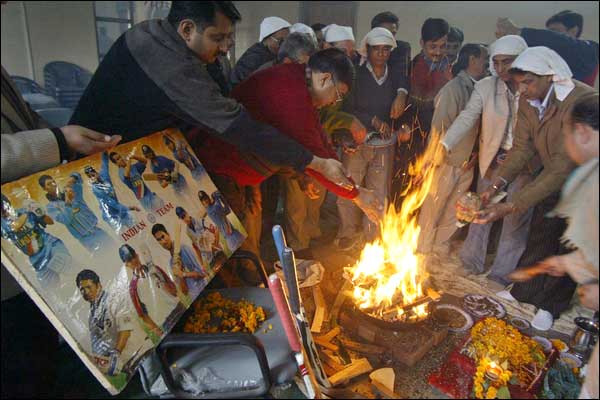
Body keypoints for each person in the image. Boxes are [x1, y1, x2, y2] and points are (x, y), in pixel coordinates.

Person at [69, 1, 352, 198]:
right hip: (100, 171)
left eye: (229, 38)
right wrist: (314, 163)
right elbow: (236, 124)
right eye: (218, 38)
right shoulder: (169, 64)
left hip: (142, 160)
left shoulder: (156, 31)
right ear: (187, 29)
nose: (226, 47)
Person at [195, 49, 381, 260]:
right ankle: (241, 277)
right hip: (222, 170)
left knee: (248, 237)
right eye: (338, 94)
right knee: (230, 244)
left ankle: (249, 270)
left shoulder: (298, 80)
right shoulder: (292, 95)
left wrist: (348, 184)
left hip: (244, 172)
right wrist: (356, 195)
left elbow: (320, 141)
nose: (334, 102)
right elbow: (316, 154)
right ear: (325, 78)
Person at [474, 47, 596, 331]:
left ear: (549, 77)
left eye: (528, 82)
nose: (522, 89)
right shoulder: (528, 101)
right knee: (541, 232)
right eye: (519, 83)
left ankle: (550, 306)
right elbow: (521, 148)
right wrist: (495, 186)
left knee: (567, 244)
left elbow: (562, 168)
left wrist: (510, 205)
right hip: (552, 175)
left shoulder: (580, 101)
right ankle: (524, 292)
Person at [441, 35, 532, 284]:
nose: (501, 68)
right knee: (479, 210)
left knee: (514, 219)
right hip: (493, 158)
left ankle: (501, 275)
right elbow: (467, 116)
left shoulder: (532, 88)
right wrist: (445, 144)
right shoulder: (486, 86)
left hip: (525, 163)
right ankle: (471, 262)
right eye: (496, 62)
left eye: (507, 62)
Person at [417, 43, 489, 258]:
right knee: (433, 207)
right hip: (446, 160)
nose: (488, 63)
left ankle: (439, 245)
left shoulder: (482, 87)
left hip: (467, 161)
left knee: (454, 209)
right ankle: (422, 249)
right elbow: (439, 128)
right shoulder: (453, 89)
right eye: (485, 58)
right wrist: (435, 158)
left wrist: (475, 153)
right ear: (472, 59)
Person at [336, 28, 400, 249]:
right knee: (348, 187)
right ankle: (347, 233)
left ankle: (373, 237)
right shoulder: (357, 74)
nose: (381, 54)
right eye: (376, 49)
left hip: (383, 145)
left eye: (386, 49)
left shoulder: (395, 76)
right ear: (368, 50)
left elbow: (402, 104)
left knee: (379, 192)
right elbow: (347, 108)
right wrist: (372, 120)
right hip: (357, 142)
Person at [395, 18, 452, 202]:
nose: (438, 52)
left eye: (443, 46)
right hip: (413, 139)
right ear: (421, 43)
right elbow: (406, 105)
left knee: (432, 193)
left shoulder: (451, 70)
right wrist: (405, 125)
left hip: (440, 140)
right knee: (408, 190)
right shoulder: (411, 68)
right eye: (433, 46)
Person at [495, 10, 599, 86]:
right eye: (549, 32)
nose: (550, 38)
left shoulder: (589, 50)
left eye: (555, 32)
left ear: (574, 30)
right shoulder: (551, 55)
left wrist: (520, 32)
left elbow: (561, 43)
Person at [1, 193, 72, 288]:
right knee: (51, 289)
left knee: (67, 266)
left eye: (4, 208)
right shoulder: (3, 226)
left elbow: (50, 222)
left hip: (51, 246)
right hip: (37, 260)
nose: (5, 212)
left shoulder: (23, 211)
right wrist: (27, 212)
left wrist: (40, 212)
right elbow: (15, 226)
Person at [76, 269, 136, 377]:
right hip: (126, 366)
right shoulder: (91, 316)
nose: (86, 292)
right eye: (82, 289)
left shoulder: (114, 300)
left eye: (89, 287)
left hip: (140, 353)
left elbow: (125, 330)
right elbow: (97, 345)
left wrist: (116, 353)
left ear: (99, 285)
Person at [119, 244, 185, 341]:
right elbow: (143, 315)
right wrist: (160, 334)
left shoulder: (155, 269)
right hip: (166, 322)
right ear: (126, 265)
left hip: (179, 308)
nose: (133, 260)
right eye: (129, 260)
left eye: (133, 256)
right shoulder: (133, 288)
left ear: (137, 255)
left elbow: (174, 291)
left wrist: (160, 281)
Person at [39, 173, 114, 252]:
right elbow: (66, 220)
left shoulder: (69, 191)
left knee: (115, 249)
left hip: (97, 229)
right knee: (103, 255)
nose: (53, 185)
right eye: (49, 184)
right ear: (44, 189)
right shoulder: (50, 207)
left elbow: (77, 177)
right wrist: (68, 202)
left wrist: (69, 183)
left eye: (53, 182)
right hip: (87, 239)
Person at [370, 11, 412, 121]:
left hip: (393, 113)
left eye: (392, 34)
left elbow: (404, 72)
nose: (389, 37)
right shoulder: (364, 53)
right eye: (384, 33)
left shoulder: (401, 48)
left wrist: (401, 94)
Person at [84, 152, 141, 231]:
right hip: (111, 216)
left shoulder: (104, 175)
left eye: (93, 175)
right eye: (90, 177)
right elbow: (112, 203)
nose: (93, 178)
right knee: (126, 235)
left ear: (96, 172)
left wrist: (104, 151)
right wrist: (129, 208)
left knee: (136, 228)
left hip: (120, 210)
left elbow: (105, 162)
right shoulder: (96, 189)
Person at [152, 223, 208, 300]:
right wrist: (181, 276)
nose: (163, 241)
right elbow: (185, 292)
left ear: (168, 234)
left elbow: (203, 274)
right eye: (159, 240)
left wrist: (184, 274)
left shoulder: (184, 249)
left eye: (163, 236)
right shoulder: (171, 263)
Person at [231, 15, 290, 85]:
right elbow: (240, 85)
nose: (284, 45)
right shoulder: (253, 57)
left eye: (287, 41)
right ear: (267, 37)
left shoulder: (273, 54)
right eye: (280, 41)